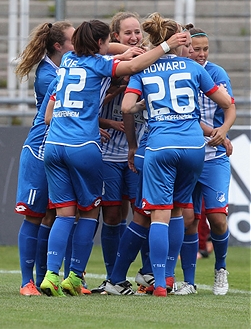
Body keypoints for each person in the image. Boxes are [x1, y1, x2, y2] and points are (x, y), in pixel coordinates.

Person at [39, 18, 187, 297]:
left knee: (63, 214)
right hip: (82, 146)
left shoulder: (69, 60)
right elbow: (131, 68)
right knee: (89, 212)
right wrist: (166, 45)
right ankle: (73, 277)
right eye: (107, 41)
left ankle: (49, 276)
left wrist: (121, 52)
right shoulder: (100, 65)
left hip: (53, 145)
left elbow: (48, 116)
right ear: (99, 43)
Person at [105, 13, 233, 297]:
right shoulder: (192, 68)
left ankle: (145, 279)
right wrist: (220, 131)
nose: (192, 49)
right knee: (177, 212)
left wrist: (138, 122)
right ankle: (158, 277)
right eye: (188, 43)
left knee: (146, 216)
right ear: (176, 42)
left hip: (155, 147)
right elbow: (223, 105)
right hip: (191, 147)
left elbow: (127, 108)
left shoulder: (142, 67)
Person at [15, 21, 75, 296]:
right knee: (34, 216)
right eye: (74, 41)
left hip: (58, 146)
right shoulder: (48, 76)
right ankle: (27, 282)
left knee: (52, 215)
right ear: (58, 46)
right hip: (40, 148)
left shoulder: (65, 68)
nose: (79, 45)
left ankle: (44, 279)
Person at [175, 26, 236, 296]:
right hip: (188, 156)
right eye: (195, 49)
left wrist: (222, 132)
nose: (200, 54)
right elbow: (184, 115)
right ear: (186, 48)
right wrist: (214, 133)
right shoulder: (177, 72)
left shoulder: (217, 73)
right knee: (188, 219)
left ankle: (220, 268)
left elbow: (229, 107)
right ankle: (188, 280)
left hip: (213, 159)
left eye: (204, 49)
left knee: (218, 219)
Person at [91, 12, 147, 294]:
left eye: (137, 32)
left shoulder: (148, 63)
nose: (135, 37)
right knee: (112, 216)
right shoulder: (104, 64)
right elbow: (86, 106)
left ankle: (148, 274)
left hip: (140, 153)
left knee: (144, 212)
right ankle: (115, 277)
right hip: (108, 154)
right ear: (115, 37)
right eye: (128, 33)